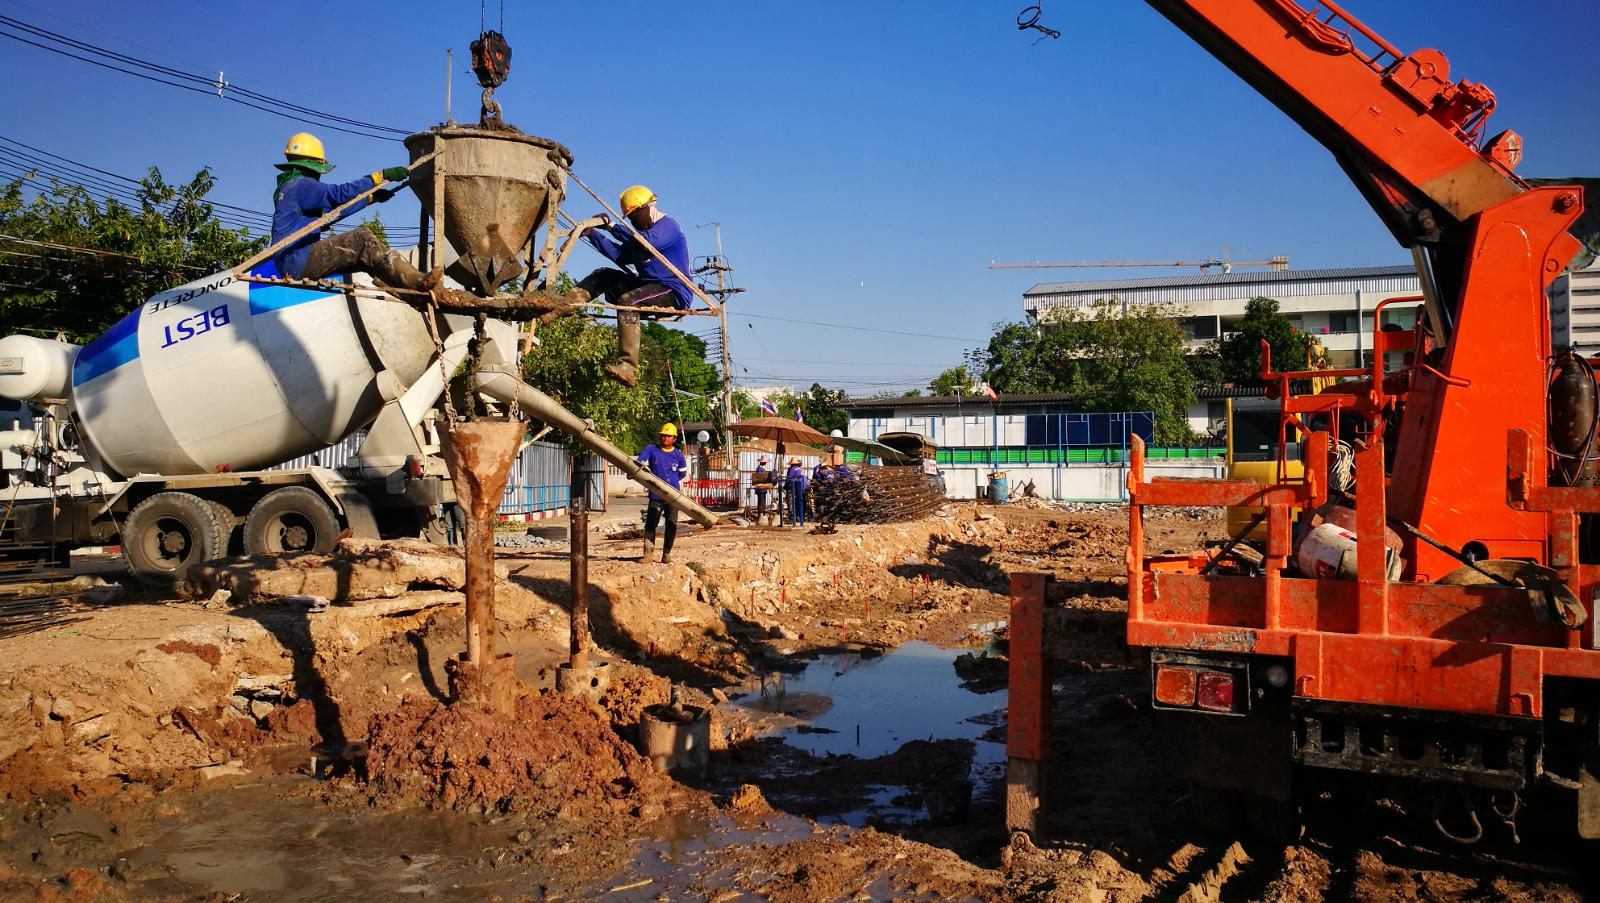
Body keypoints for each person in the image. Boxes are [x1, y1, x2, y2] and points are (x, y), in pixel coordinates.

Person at [270, 132, 438, 291]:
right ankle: (414, 280)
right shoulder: (302, 185)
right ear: (313, 165)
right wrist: (379, 177)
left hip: (290, 260)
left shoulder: (291, 187)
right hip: (296, 259)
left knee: (364, 258)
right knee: (362, 238)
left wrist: (369, 198)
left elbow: (337, 210)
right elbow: (339, 195)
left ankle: (409, 292)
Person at [561, 186, 693, 387]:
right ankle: (566, 303)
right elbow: (620, 255)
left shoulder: (667, 227)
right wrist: (594, 235)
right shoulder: (639, 236)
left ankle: (627, 366)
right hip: (647, 286)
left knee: (628, 301)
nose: (632, 221)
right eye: (628, 218)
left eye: (633, 216)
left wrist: (613, 227)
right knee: (604, 274)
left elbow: (644, 244)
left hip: (672, 290)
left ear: (646, 209)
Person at [636, 423, 688, 563]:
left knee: (671, 523)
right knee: (651, 523)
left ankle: (666, 554)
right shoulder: (651, 449)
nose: (665, 438)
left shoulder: (678, 455)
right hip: (656, 495)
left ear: (674, 439)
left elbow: (682, 474)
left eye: (668, 436)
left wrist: (670, 483)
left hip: (672, 496)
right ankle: (648, 554)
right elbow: (639, 461)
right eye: (663, 435)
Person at [785, 457, 809, 527]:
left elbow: (789, 478)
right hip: (805, 486)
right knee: (802, 501)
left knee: (795, 502)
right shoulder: (800, 469)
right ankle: (801, 516)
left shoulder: (792, 469)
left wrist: (786, 485)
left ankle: (795, 517)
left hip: (798, 486)